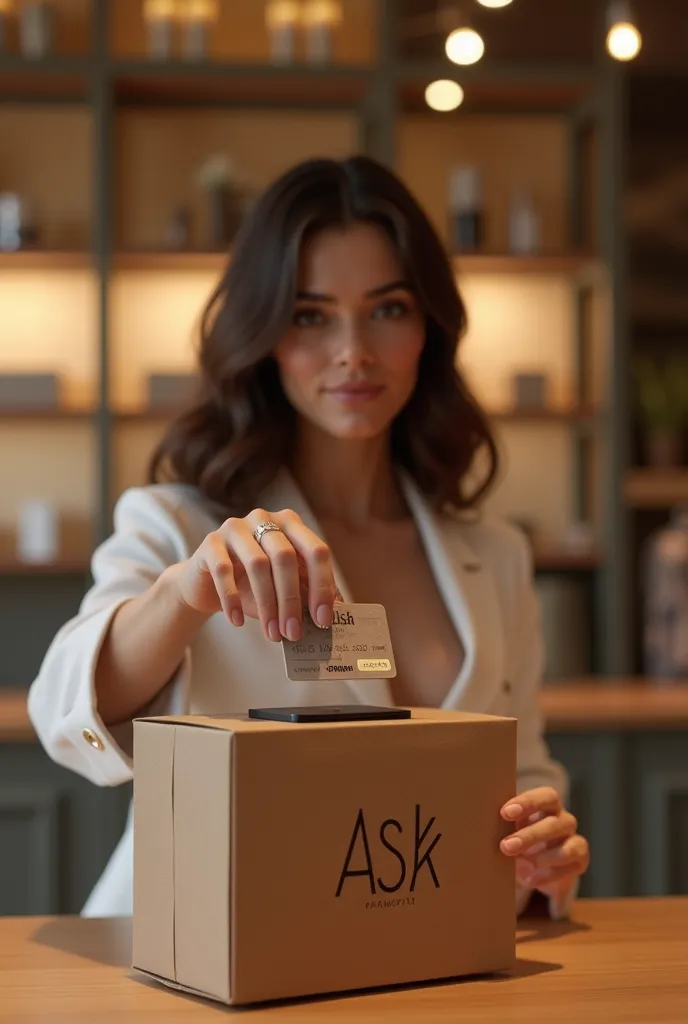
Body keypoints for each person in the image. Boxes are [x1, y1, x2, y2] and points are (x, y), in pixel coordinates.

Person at [28, 154, 589, 919]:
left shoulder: (494, 554)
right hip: (194, 948)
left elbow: (520, 779)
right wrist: (185, 592)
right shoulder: (180, 525)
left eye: (387, 309)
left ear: (429, 324)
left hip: (407, 960)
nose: (352, 351)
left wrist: (545, 860)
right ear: (263, 335)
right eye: (310, 315)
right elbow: (66, 713)